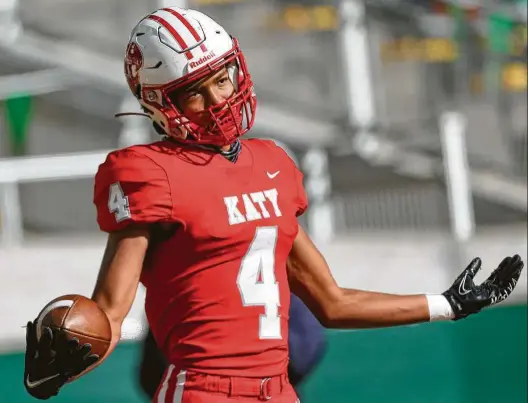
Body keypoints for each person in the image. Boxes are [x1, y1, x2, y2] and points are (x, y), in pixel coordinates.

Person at [23, 7, 524, 403]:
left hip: (279, 390)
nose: (217, 100)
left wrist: (447, 304)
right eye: (193, 93)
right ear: (158, 104)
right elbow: (109, 310)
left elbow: (332, 302)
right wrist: (60, 364)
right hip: (203, 390)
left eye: (221, 79)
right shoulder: (150, 173)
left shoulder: (272, 164)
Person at [138, 293, 327, 400]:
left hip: (269, 390)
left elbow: (306, 348)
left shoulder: (278, 282)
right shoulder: (186, 287)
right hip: (198, 392)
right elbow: (151, 371)